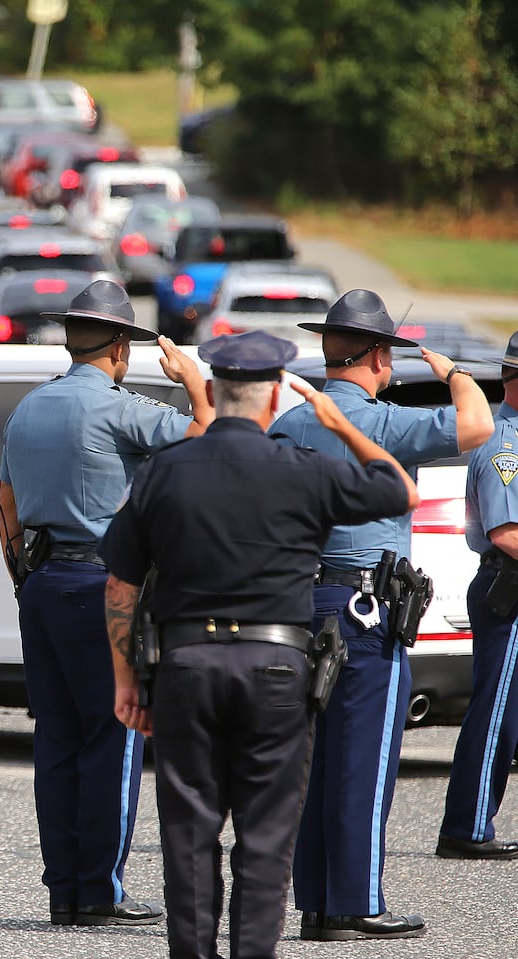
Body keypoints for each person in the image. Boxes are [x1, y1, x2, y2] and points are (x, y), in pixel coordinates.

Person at [101, 330, 419, 959]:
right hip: (277, 670)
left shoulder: (165, 470)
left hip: (185, 667)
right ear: (276, 396)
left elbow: (121, 584)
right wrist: (342, 425)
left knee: (188, 834)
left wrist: (126, 680)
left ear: (215, 392)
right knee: (267, 836)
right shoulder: (304, 470)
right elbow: (399, 492)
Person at [269, 289, 493, 941]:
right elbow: (476, 422)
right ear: (377, 357)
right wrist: (450, 370)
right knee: (363, 759)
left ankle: (315, 901)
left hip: (303, 602)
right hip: (367, 608)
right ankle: (356, 903)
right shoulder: (383, 422)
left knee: (310, 761)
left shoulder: (289, 423)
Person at [0, 278, 213, 927]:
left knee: (57, 737)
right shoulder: (118, 407)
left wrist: (23, 579)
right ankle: (99, 888)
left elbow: (5, 504)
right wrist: (194, 379)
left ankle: (64, 885)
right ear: (120, 346)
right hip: (101, 585)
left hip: (40, 586)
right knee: (113, 732)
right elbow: (206, 436)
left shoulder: (28, 407)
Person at [437, 330, 518, 862]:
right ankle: (467, 826)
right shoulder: (504, 443)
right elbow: (505, 533)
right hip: (508, 588)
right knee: (497, 714)